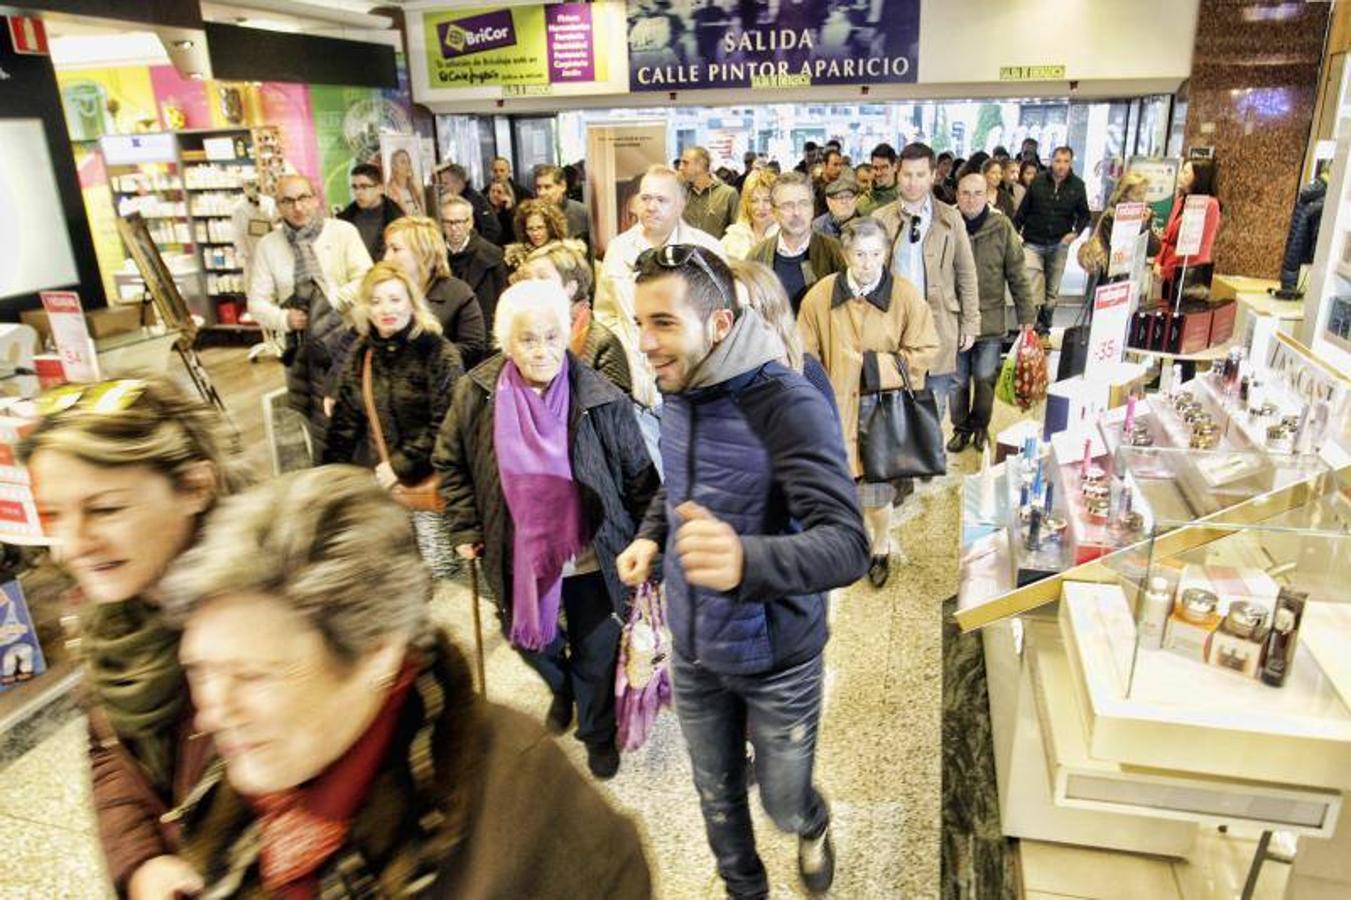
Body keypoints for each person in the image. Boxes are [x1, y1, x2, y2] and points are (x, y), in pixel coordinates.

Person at [159, 467, 654, 896]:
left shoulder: (523, 818)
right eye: (201, 670)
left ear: (378, 653)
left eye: (252, 675)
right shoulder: (229, 792)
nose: (211, 711)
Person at [618, 244, 869, 899]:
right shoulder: (681, 389)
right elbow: (678, 486)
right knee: (717, 798)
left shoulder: (787, 404)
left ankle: (813, 822)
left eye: (663, 323)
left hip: (779, 657)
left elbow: (847, 545)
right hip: (696, 646)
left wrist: (745, 562)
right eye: (639, 322)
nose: (644, 342)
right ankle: (743, 890)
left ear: (720, 326)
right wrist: (651, 537)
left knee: (780, 804)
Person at [21, 376, 247, 900]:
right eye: (56, 516)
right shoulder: (112, 620)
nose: (70, 547)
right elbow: (110, 750)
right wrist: (140, 860)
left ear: (195, 487)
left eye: (104, 509)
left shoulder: (285, 622)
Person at [434, 280, 661, 779]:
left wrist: (653, 547)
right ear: (506, 342)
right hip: (518, 550)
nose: (542, 351)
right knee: (529, 643)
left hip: (593, 553)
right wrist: (466, 524)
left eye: (552, 337)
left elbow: (642, 479)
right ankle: (563, 690)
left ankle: (597, 733)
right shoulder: (477, 392)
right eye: (528, 339)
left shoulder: (601, 399)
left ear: (569, 335)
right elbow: (450, 462)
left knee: (598, 653)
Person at [797, 217, 939, 588]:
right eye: (859, 254)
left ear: (887, 253)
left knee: (877, 493)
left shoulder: (905, 296)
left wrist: (874, 365)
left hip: (881, 415)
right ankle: (844, 546)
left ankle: (880, 546)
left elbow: (925, 351)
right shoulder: (819, 296)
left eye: (876, 253)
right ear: (845, 253)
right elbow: (801, 353)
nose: (867, 262)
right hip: (832, 412)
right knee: (836, 489)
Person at [323, 261, 464, 573]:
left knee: (439, 573)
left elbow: (449, 425)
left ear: (412, 303)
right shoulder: (364, 353)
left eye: (395, 299)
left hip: (435, 486)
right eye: (376, 300)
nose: (386, 309)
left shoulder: (438, 352)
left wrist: (401, 465)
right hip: (387, 491)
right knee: (399, 574)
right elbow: (344, 424)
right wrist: (325, 483)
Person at [248, 173, 373, 456]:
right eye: (288, 201)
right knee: (312, 420)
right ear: (278, 206)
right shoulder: (269, 245)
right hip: (302, 350)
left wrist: (330, 303)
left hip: (347, 342)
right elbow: (256, 302)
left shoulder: (343, 232)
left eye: (303, 198)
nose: (298, 207)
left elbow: (367, 277)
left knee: (354, 413)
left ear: (316, 199)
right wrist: (284, 319)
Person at [595, 165, 724, 411]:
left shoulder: (707, 250)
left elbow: (722, 318)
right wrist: (626, 348)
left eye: (661, 200)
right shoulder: (618, 249)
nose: (651, 206)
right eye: (645, 198)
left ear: (681, 205)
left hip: (693, 388)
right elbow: (604, 314)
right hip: (634, 388)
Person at [872, 142, 980, 419]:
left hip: (939, 325)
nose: (913, 182)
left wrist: (970, 322)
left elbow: (966, 272)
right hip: (895, 329)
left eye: (920, 175)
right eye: (907, 174)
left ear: (933, 175)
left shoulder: (950, 218)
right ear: (897, 173)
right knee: (894, 413)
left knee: (932, 413)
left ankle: (930, 462)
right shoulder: (881, 219)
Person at [950, 171, 1037, 454]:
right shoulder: (947, 224)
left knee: (985, 376)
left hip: (990, 318)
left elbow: (1017, 273)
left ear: (987, 194)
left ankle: (980, 427)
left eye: (977, 193)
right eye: (965, 193)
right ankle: (960, 428)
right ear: (957, 195)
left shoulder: (1001, 226)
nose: (971, 199)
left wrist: (1027, 316)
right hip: (955, 321)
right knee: (958, 380)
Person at [517, 239, 631, 393]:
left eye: (542, 278)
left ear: (571, 287)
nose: (532, 286)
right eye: (527, 279)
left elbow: (615, 411)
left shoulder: (602, 342)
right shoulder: (518, 334)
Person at [726, 258, 836, 416]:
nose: (734, 322)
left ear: (770, 314)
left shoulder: (808, 372)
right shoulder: (710, 383)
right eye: (729, 311)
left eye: (746, 311)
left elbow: (833, 438)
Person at [382, 216, 486, 366]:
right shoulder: (381, 292)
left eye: (396, 249)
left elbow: (473, 348)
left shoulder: (457, 293)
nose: (386, 258)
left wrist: (423, 356)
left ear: (423, 253)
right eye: (387, 249)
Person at [1014, 145, 1091, 332]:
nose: (1061, 166)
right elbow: (1023, 210)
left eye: (1066, 161)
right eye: (1058, 161)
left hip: (1059, 243)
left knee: (1052, 291)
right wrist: (1015, 232)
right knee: (1031, 286)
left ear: (1071, 163)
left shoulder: (1078, 186)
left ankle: (1044, 328)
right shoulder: (1038, 182)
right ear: (1051, 161)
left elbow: (1084, 215)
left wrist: (1075, 234)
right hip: (1033, 242)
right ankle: (1027, 328)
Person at [747, 171, 846, 315]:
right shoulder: (757, 257)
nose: (797, 212)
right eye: (788, 206)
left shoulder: (835, 252)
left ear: (813, 208)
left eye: (804, 204)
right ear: (774, 212)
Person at [1077, 172, 1159, 301]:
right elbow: (1117, 249)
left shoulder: (1144, 215)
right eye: (1137, 194)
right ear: (1124, 194)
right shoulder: (1111, 216)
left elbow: (1153, 250)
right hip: (1110, 278)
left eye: (1144, 194)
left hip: (1131, 278)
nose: (1142, 199)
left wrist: (1144, 227)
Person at [1155, 157, 1221, 305]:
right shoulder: (1180, 201)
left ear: (1198, 177)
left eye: (1185, 172)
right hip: (1165, 273)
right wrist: (1159, 262)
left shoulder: (1210, 205)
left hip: (1187, 276)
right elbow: (1167, 236)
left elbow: (1201, 247)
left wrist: (1170, 270)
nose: (1180, 176)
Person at [442, 193, 509, 331]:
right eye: (448, 222)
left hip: (483, 332)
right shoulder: (433, 256)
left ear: (470, 222)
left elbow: (501, 300)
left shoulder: (492, 255)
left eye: (459, 222)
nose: (454, 228)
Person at [337, 163, 404, 262]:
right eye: (355, 187)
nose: (358, 192)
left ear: (380, 188)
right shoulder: (345, 220)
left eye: (364, 187)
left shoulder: (398, 220)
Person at [679, 145, 740, 239]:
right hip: (686, 252)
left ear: (700, 165)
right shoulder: (681, 194)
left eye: (685, 163)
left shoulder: (728, 194)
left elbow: (737, 232)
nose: (680, 167)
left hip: (717, 252)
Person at [436, 162, 502, 244]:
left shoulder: (475, 200)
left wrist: (477, 249)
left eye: (446, 184)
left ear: (459, 182)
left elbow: (492, 230)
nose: (443, 189)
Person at [228, 176, 276, 288]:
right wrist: (244, 253)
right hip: (252, 255)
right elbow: (237, 234)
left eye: (252, 184)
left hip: (270, 251)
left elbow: (275, 223)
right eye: (247, 185)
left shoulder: (269, 202)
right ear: (243, 187)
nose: (250, 188)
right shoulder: (238, 208)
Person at [722, 169, 779, 260]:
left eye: (767, 200)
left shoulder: (786, 237)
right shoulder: (733, 237)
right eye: (754, 201)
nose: (761, 207)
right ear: (746, 204)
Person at [505, 198, 569, 274]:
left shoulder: (565, 254)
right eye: (530, 229)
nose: (535, 233)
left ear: (551, 228)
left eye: (540, 227)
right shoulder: (516, 257)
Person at [535, 163, 590, 250]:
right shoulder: (532, 214)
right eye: (538, 187)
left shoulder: (581, 212)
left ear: (563, 186)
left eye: (547, 187)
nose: (541, 193)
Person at [812, 168, 861, 239]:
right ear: (829, 202)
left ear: (856, 199)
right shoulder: (818, 227)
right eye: (839, 197)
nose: (845, 201)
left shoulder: (866, 224)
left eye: (849, 196)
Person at [858, 142, 899, 215]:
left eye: (884, 167)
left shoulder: (907, 197)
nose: (879, 173)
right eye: (875, 168)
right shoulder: (862, 203)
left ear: (894, 167)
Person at [385, 148, 424, 217]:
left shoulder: (415, 189)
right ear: (394, 166)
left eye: (409, 162)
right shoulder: (389, 192)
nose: (407, 165)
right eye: (403, 162)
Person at [486, 178, 517, 249]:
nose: (495, 194)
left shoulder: (513, 212)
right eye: (492, 191)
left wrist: (508, 210)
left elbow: (513, 234)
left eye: (499, 192)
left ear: (507, 194)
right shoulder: (485, 211)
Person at [814, 148, 846, 215]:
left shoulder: (842, 187)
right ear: (824, 165)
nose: (839, 169)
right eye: (835, 165)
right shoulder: (814, 188)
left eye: (840, 165)